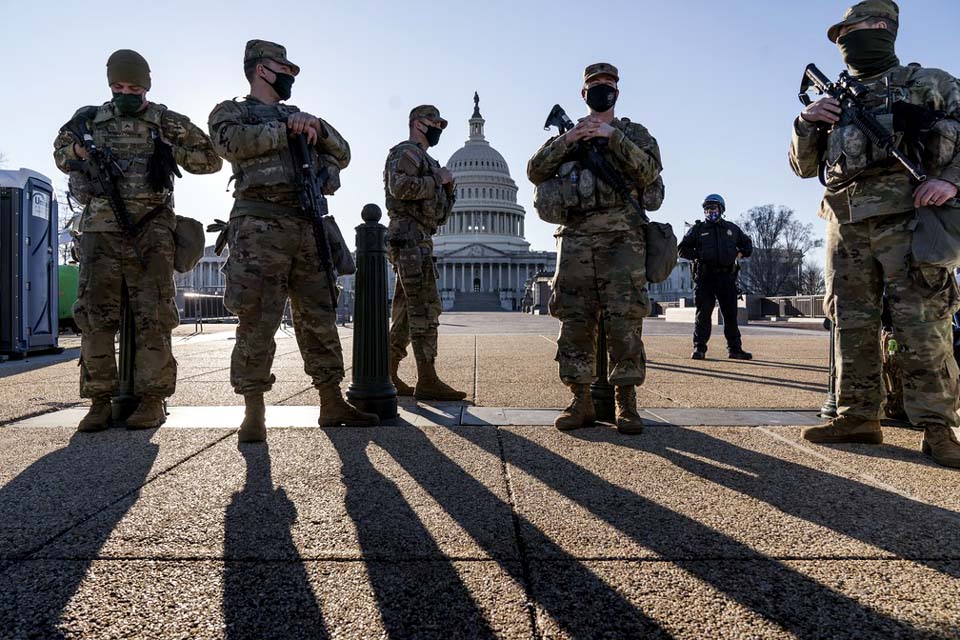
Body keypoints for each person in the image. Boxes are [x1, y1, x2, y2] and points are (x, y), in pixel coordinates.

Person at [789, 0, 960, 468]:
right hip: (845, 224)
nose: (844, 40)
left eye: (851, 29)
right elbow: (805, 168)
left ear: (882, 27)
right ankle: (857, 417)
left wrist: (951, 179)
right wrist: (805, 123)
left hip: (911, 217)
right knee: (850, 324)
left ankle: (938, 428)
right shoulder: (835, 98)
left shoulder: (931, 83)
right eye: (840, 35)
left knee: (923, 324)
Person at [208, 39, 378, 443]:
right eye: (285, 68)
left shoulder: (301, 116)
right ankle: (253, 410)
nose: (290, 77)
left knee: (319, 316)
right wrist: (283, 129)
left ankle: (331, 399)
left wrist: (315, 127)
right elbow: (228, 144)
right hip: (258, 226)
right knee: (256, 319)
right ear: (262, 68)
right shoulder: (233, 112)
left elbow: (344, 152)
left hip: (307, 225)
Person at [53, 49, 222, 432]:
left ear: (146, 84)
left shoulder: (164, 120)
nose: (125, 93)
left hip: (151, 228)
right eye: (117, 86)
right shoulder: (89, 119)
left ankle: (153, 398)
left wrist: (171, 147)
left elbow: (210, 160)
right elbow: (60, 152)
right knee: (95, 317)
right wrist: (80, 151)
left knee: (154, 316)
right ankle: (99, 401)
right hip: (101, 230)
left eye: (133, 86)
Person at [528, 63, 663, 434]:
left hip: (622, 239)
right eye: (594, 86)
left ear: (617, 93)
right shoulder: (568, 135)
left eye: (608, 85)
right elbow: (534, 170)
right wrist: (570, 140)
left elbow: (650, 172)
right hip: (575, 238)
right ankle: (579, 399)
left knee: (625, 321)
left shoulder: (634, 133)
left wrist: (612, 137)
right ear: (583, 94)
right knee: (574, 321)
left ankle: (626, 403)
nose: (602, 90)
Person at [384, 105, 466, 401]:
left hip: (419, 237)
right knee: (425, 308)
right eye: (435, 122)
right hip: (408, 237)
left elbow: (439, 215)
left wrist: (449, 189)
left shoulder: (429, 160)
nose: (439, 128)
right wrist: (437, 181)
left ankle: (388, 372)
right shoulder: (408, 153)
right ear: (418, 123)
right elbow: (400, 188)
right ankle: (427, 378)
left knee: (407, 312)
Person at [678, 194, 753, 360]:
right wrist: (698, 254)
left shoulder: (732, 229)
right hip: (705, 278)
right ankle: (699, 348)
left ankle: (735, 350)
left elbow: (748, 244)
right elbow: (682, 249)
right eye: (708, 208)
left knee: (730, 315)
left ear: (721, 210)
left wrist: (740, 253)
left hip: (727, 277)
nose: (710, 211)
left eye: (713, 208)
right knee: (703, 315)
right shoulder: (697, 230)